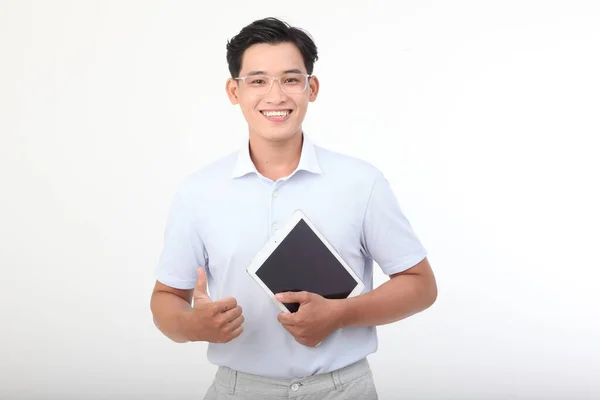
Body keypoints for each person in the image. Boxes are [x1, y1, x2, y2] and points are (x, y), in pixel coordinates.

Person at [150, 17, 438, 400]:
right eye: (257, 81)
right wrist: (193, 325)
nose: (275, 96)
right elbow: (165, 298)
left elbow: (421, 285)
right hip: (239, 389)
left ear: (311, 87)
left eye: (290, 79)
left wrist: (340, 315)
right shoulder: (197, 192)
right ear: (234, 91)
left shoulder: (361, 182)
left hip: (342, 388)